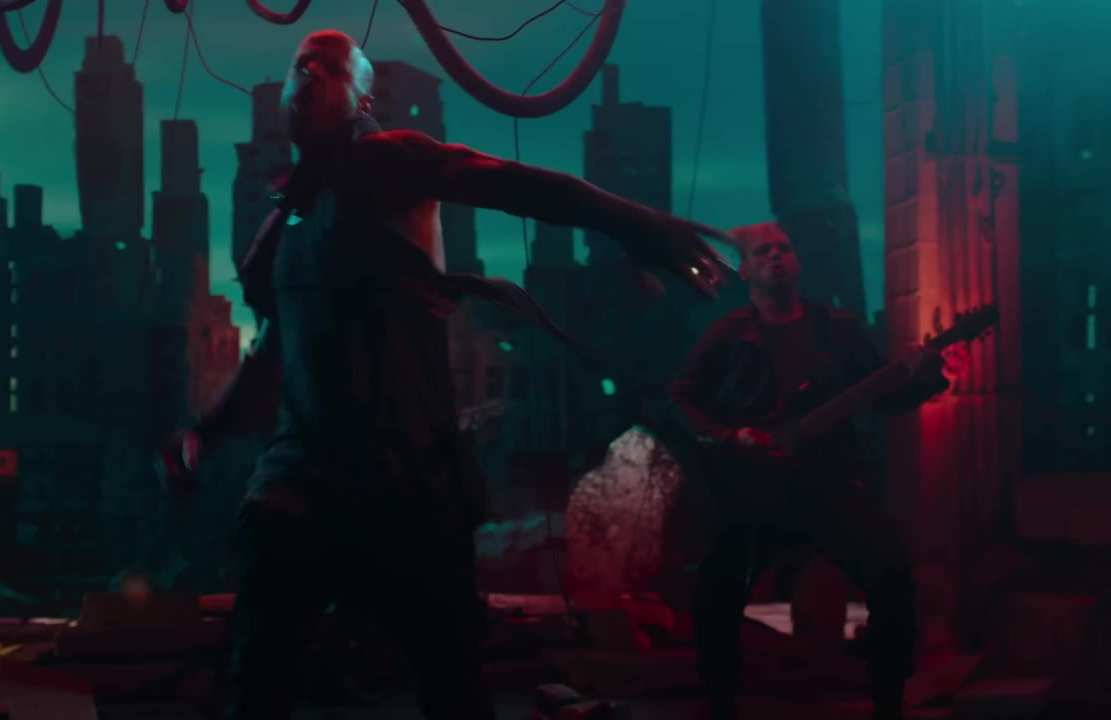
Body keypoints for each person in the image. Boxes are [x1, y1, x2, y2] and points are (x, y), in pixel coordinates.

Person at [156, 29, 734, 720]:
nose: (309, 73)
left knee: (450, 686)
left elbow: (512, 183)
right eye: (299, 64)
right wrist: (207, 430)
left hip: (407, 479)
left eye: (330, 66)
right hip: (303, 480)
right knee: (259, 682)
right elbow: (278, 348)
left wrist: (634, 223)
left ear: (361, 98)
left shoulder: (388, 161)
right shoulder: (284, 226)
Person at [667, 222, 950, 720]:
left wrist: (927, 379)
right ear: (745, 270)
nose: (776, 256)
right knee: (716, 594)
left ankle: (889, 704)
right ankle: (721, 705)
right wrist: (730, 437)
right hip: (754, 491)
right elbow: (679, 398)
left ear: (797, 262)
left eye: (784, 248)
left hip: (828, 486)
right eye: (763, 252)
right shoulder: (728, 333)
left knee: (890, 577)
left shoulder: (837, 329)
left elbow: (882, 396)